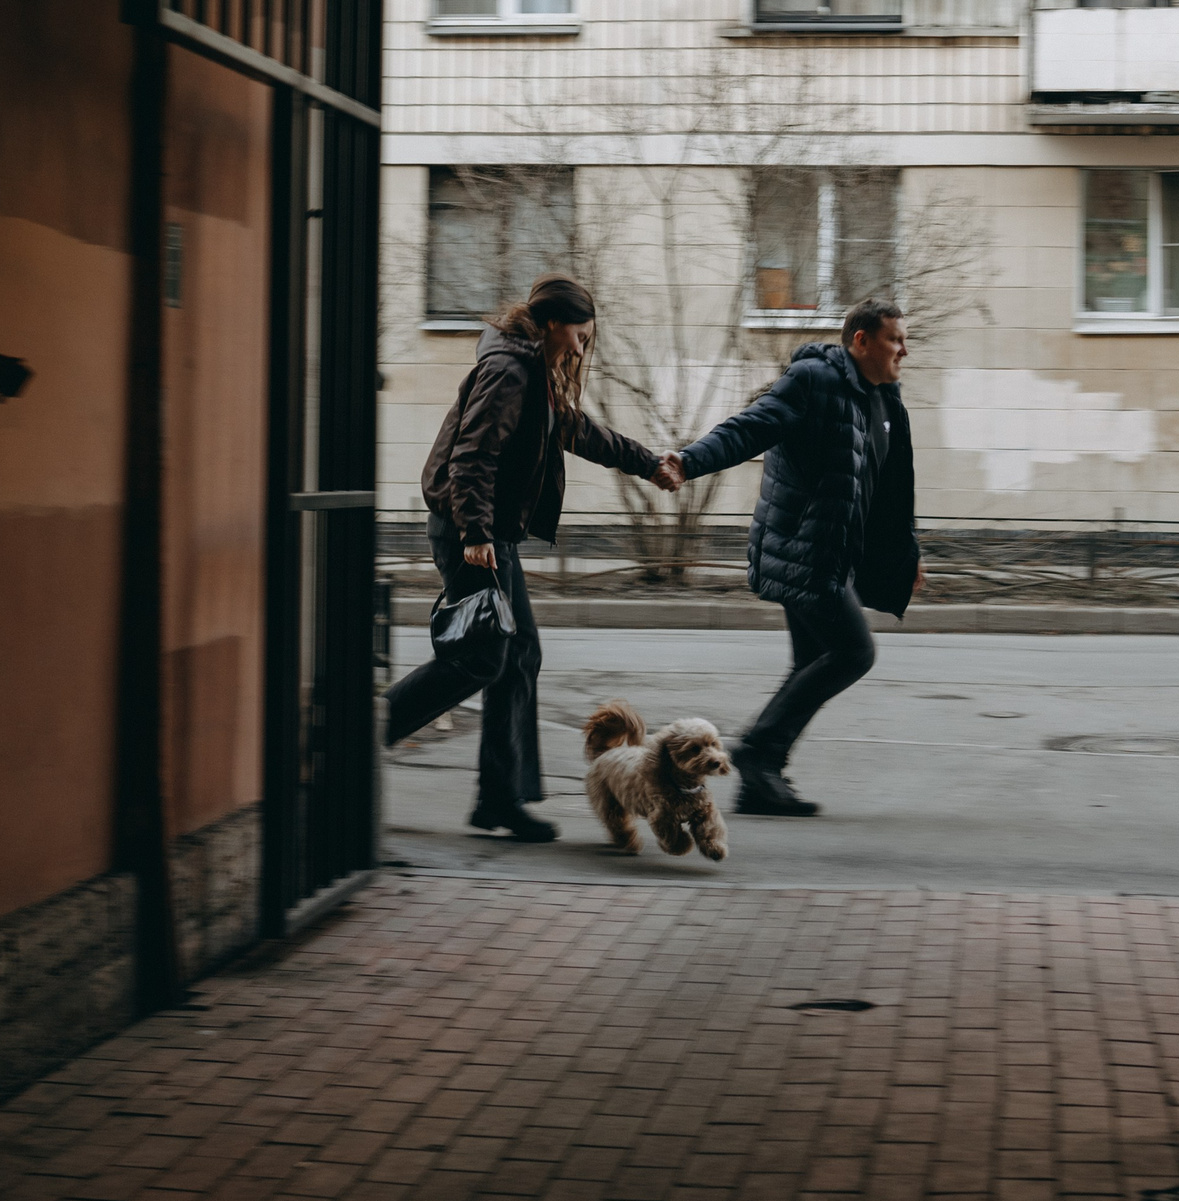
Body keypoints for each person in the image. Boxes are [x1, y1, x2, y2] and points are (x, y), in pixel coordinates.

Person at [387, 275, 677, 841]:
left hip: (491, 536)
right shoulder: (510, 370)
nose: (579, 348)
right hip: (473, 535)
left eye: (586, 340)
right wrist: (475, 531)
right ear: (549, 324)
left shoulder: (532, 373)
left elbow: (580, 432)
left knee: (517, 658)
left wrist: (647, 462)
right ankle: (365, 734)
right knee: (482, 659)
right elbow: (473, 454)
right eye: (577, 335)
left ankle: (500, 798)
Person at [660, 297, 922, 816]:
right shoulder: (813, 381)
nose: (904, 350)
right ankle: (757, 754)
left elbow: (891, 492)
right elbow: (749, 428)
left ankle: (762, 780)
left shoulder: (886, 403)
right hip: (800, 552)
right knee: (853, 652)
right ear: (861, 340)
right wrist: (688, 462)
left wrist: (906, 554)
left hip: (831, 553)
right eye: (895, 339)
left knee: (811, 661)